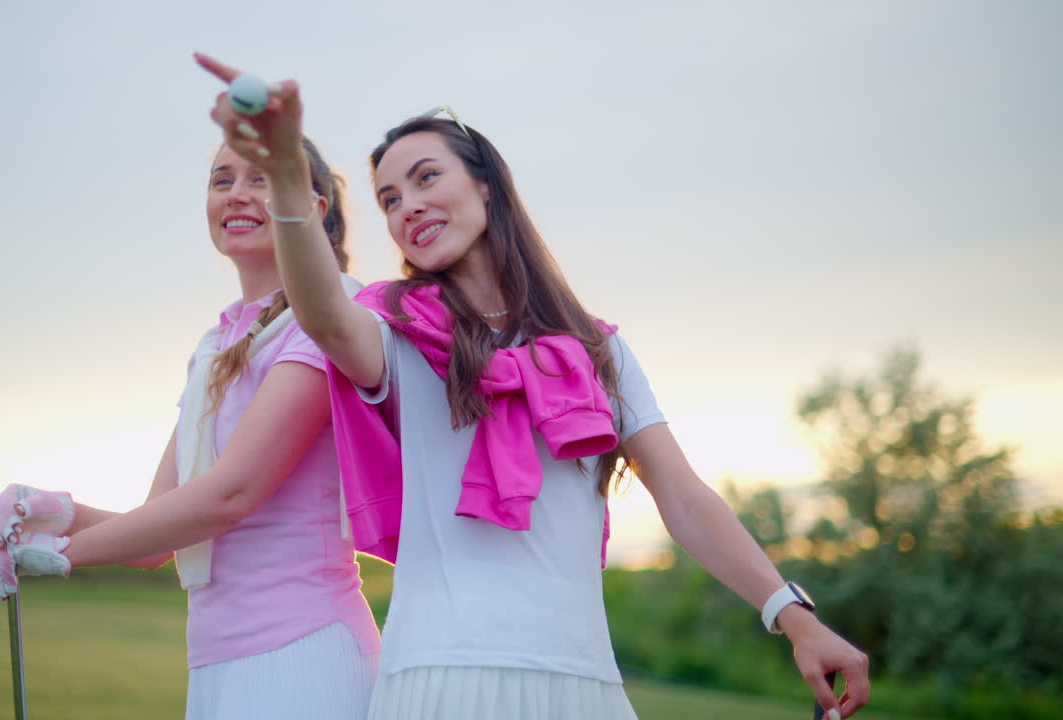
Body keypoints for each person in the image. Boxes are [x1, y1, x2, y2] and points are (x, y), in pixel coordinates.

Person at [196, 55, 872, 720]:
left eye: (427, 177)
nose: (410, 206)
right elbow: (322, 314)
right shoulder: (395, 331)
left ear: (487, 185)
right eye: (390, 200)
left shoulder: (598, 350)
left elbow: (685, 498)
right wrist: (286, 175)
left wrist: (792, 613)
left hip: (583, 685)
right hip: (440, 684)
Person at [0, 137, 381, 720]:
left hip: (303, 651)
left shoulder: (330, 314)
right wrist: (45, 510)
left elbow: (229, 496)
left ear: (310, 207)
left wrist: (65, 552)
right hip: (215, 662)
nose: (237, 193)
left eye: (260, 178)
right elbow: (160, 531)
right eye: (222, 180)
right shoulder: (215, 348)